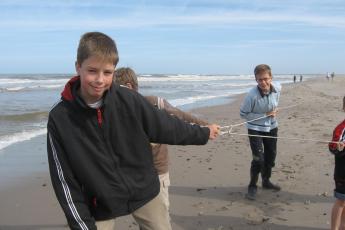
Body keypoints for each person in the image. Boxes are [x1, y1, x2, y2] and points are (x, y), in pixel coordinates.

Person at [47, 32, 220, 230]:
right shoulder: (60, 118)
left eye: (108, 72)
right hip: (98, 202)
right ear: (78, 66)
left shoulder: (129, 100)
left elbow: (167, 126)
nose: (100, 80)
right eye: (92, 71)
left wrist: (204, 133)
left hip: (144, 191)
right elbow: (63, 179)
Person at [114, 67, 209, 229]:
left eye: (115, 89)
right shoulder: (113, 110)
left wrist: (206, 128)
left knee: (160, 216)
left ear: (129, 87)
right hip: (129, 174)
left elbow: (179, 116)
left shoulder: (153, 103)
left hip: (157, 172)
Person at [240, 64, 281, 200]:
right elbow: (243, 114)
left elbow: (275, 103)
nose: (263, 82)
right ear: (256, 80)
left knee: (271, 157)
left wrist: (274, 112)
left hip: (272, 127)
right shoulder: (251, 96)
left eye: (265, 79)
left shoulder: (278, 89)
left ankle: (266, 181)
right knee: (258, 159)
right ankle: (252, 186)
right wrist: (265, 114)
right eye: (259, 80)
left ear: (271, 77)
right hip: (255, 129)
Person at [329, 110, 345, 230]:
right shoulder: (341, 128)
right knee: (341, 201)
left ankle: (342, 226)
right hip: (342, 173)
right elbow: (333, 146)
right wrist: (338, 148)